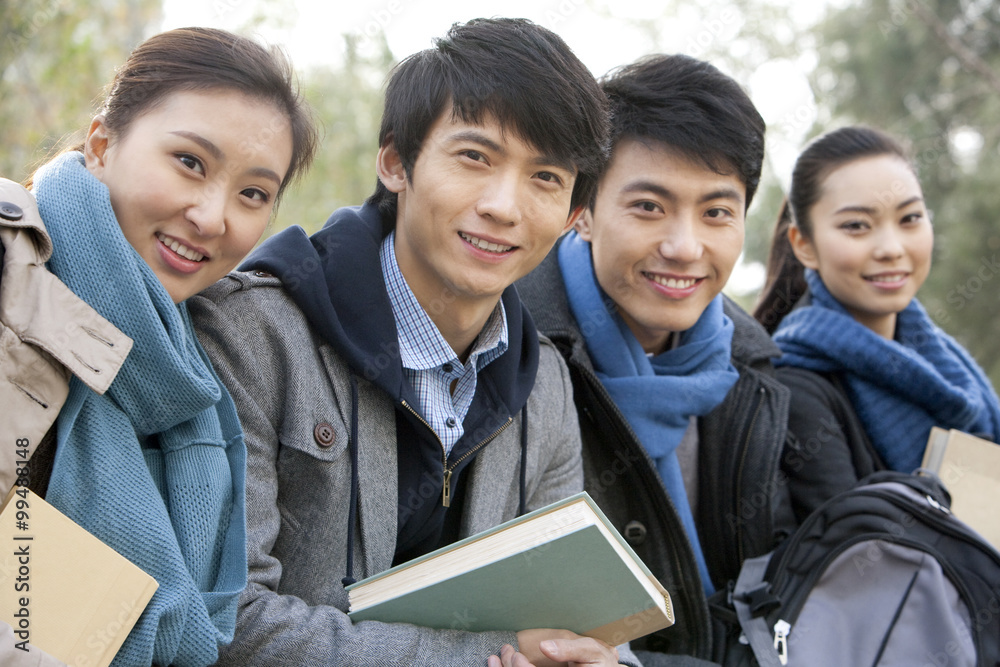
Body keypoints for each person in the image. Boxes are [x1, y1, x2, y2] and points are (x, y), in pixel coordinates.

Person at [190, 17, 636, 667]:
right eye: (475, 157)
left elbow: (567, 614)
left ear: (573, 216)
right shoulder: (255, 333)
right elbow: (227, 618)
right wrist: (479, 655)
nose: (503, 205)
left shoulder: (545, 382)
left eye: (545, 177)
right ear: (396, 161)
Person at [0, 26, 317, 666]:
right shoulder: (8, 271)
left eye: (253, 193)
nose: (211, 216)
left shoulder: (193, 367)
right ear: (101, 143)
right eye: (190, 162)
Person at [517, 54, 793, 665]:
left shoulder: (758, 374)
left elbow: (783, 595)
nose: (684, 247)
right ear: (581, 211)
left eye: (717, 212)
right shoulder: (508, 353)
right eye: (648, 206)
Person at [753, 125, 1000, 522]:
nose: (890, 248)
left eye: (910, 218)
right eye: (856, 226)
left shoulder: (945, 361)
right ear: (804, 245)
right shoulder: (797, 390)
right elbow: (853, 559)